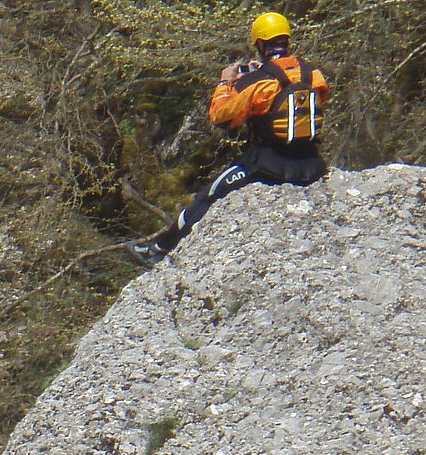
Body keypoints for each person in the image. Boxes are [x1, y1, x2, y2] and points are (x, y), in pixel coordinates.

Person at [128, 12, 329, 266]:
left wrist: (226, 83)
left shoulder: (258, 82)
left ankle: (159, 249)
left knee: (208, 195)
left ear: (259, 44)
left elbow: (221, 117)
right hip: (311, 162)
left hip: (267, 164)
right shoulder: (314, 75)